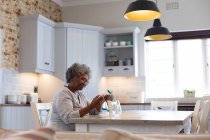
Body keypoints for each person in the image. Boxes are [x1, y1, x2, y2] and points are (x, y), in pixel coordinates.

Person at [48, 63, 110, 131]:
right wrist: (92, 105)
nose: (84, 83)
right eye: (82, 79)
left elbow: (92, 112)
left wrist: (99, 104)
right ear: (72, 78)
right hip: (61, 135)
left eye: (86, 81)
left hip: (78, 131)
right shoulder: (63, 94)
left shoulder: (80, 95)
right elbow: (68, 118)